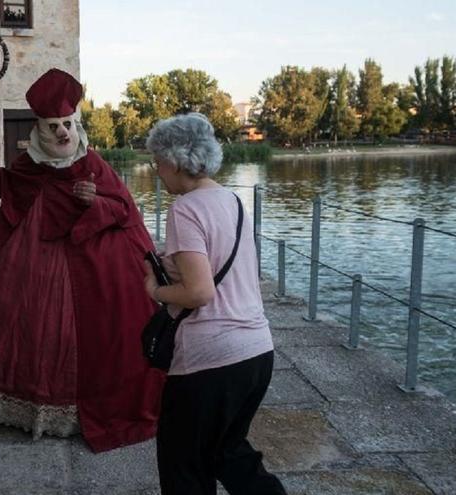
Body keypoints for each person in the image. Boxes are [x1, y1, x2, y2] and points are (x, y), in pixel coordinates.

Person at [0, 68, 164, 452]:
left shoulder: (92, 164)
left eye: (67, 124)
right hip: (23, 264)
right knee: (18, 321)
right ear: (40, 130)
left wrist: (94, 200)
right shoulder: (29, 164)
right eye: (54, 126)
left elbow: (124, 208)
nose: (63, 133)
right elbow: (11, 188)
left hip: (89, 264)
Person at [142, 113, 286, 494]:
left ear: (174, 160)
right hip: (257, 351)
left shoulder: (185, 209)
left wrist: (154, 290)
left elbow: (200, 293)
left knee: (183, 466)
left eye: (157, 163)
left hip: (210, 360)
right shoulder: (233, 201)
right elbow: (229, 270)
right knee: (228, 452)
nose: (157, 173)